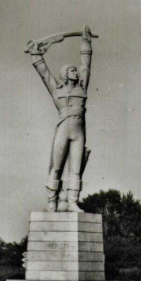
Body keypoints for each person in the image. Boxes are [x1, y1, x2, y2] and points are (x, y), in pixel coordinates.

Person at [27, 27, 93, 212]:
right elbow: (44, 72)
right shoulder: (57, 89)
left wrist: (86, 43)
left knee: (76, 169)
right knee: (56, 167)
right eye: (72, 70)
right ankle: (51, 202)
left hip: (79, 133)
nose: (76, 73)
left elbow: (86, 66)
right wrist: (35, 53)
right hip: (63, 129)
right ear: (65, 74)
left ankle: (72, 202)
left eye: (75, 70)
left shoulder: (82, 88)